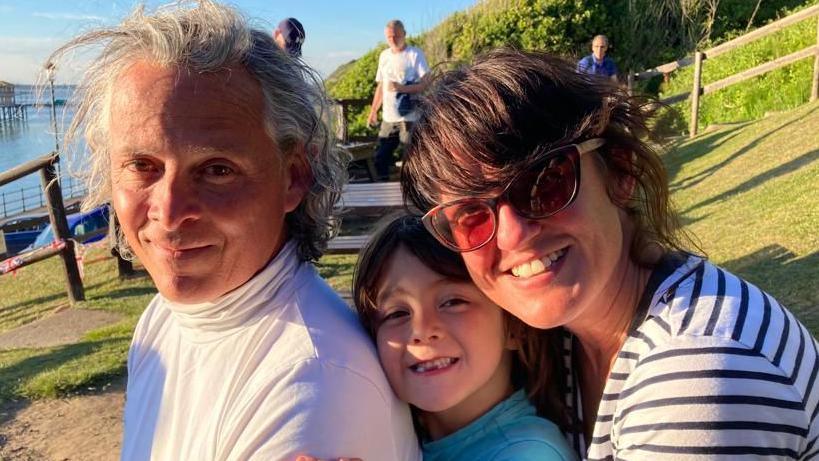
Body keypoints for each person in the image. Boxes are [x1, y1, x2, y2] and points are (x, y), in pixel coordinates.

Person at [401, 48, 819, 459]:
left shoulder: (694, 375)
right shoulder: (566, 339)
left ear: (618, 171)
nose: (512, 236)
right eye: (470, 215)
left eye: (545, 182)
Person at [47, 2, 419, 460]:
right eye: (142, 165)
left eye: (217, 169)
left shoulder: (312, 386)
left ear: (293, 177)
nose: (169, 211)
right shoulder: (165, 319)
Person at [352, 214, 576, 461]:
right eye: (397, 313)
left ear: (514, 326)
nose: (421, 330)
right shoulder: (410, 440)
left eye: (452, 302)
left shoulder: (528, 453)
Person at [367, 19, 429, 181]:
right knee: (381, 157)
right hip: (389, 117)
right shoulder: (384, 56)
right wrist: (373, 111)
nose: (392, 40)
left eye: (395, 36)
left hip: (410, 117)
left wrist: (402, 89)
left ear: (404, 34)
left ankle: (412, 196)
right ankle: (383, 194)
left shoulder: (415, 54)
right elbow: (381, 86)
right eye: (388, 37)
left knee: (412, 159)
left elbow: (426, 84)